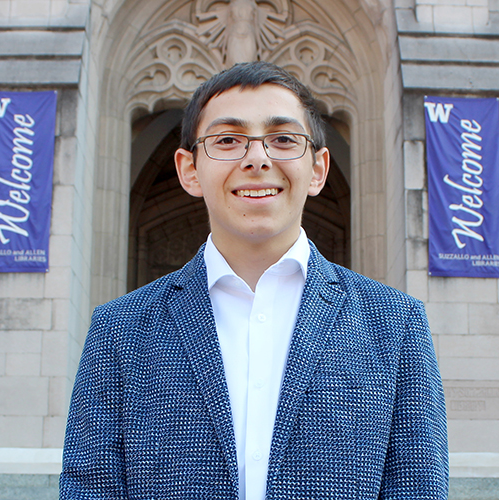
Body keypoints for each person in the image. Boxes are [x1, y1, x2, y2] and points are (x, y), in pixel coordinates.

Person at [60, 61, 448, 499]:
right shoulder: (119, 330)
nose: (258, 158)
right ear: (190, 170)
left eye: (283, 139)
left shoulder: (396, 324)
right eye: (228, 140)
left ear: (318, 169)